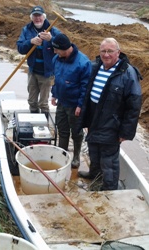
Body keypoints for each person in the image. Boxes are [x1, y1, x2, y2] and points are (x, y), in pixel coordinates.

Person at [77, 37, 142, 190]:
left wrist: (125, 131)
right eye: (103, 51)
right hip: (94, 119)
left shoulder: (128, 73)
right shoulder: (95, 66)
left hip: (112, 122)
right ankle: (95, 174)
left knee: (109, 158)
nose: (106, 55)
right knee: (93, 148)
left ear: (118, 53)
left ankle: (110, 187)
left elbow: (134, 106)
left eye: (110, 51)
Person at [51, 33, 92, 168]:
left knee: (76, 132)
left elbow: (86, 87)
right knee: (62, 129)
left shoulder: (83, 63)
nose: (55, 52)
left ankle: (76, 157)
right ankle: (62, 154)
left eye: (57, 49)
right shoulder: (57, 59)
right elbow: (56, 79)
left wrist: (80, 105)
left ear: (64, 48)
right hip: (62, 102)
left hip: (75, 105)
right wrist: (54, 94)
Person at [17, 6, 60, 117]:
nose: (37, 19)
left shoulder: (53, 31)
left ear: (44, 17)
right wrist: (30, 41)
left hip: (47, 73)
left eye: (39, 16)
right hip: (32, 71)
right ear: (32, 18)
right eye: (35, 16)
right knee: (32, 101)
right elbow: (20, 48)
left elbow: (63, 47)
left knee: (43, 103)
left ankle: (43, 123)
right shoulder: (27, 29)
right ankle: (34, 120)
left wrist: (51, 40)